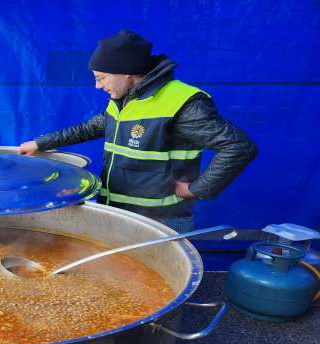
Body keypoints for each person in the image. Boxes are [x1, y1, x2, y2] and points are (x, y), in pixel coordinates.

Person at [19, 30, 257, 233]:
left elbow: (239, 147)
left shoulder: (183, 103)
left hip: (160, 222)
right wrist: (41, 144)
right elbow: (91, 127)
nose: (97, 86)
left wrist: (198, 189)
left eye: (101, 78)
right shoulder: (124, 99)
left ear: (127, 74)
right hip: (115, 212)